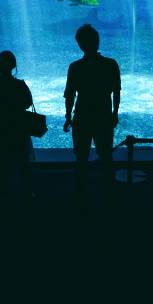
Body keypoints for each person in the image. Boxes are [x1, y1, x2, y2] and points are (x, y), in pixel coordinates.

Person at [63, 24, 120, 192]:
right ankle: (110, 191)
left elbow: (70, 95)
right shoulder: (110, 65)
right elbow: (116, 92)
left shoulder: (76, 67)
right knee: (106, 156)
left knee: (81, 158)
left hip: (82, 117)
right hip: (103, 116)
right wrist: (114, 113)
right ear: (98, 42)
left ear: (80, 44)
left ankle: (81, 192)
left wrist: (68, 116)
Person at [0, 50, 34, 196]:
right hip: (18, 130)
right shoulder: (20, 85)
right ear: (13, 66)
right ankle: (27, 197)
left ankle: (5, 200)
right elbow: (28, 103)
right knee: (22, 164)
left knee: (1, 166)